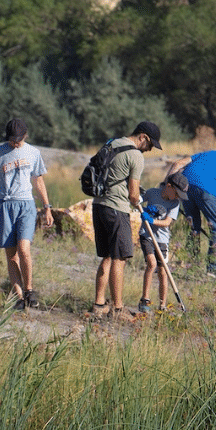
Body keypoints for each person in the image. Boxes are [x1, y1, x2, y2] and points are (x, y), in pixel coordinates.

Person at [0, 118, 53, 310]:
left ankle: (30, 290)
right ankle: (19, 297)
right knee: (12, 256)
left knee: (24, 249)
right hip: (4, 206)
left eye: (18, 140)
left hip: (26, 205)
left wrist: (47, 207)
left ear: (25, 135)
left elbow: (38, 181)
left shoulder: (33, 152)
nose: (14, 143)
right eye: (12, 140)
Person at [86, 120, 162, 321]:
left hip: (98, 205)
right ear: (143, 137)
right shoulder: (136, 155)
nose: (150, 149)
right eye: (151, 144)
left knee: (108, 257)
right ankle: (118, 310)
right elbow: (133, 194)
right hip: (117, 209)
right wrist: (142, 205)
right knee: (120, 258)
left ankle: (99, 304)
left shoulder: (112, 143)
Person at [166, 150, 216, 275]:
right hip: (208, 188)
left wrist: (166, 188)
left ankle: (191, 265)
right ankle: (213, 269)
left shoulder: (210, 153)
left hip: (185, 185)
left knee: (193, 227)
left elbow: (178, 163)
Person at [136, 171, 188, 315]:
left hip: (162, 240)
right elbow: (137, 202)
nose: (178, 198)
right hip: (147, 235)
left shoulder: (175, 203)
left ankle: (162, 305)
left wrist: (152, 220)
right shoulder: (152, 193)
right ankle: (145, 300)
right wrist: (142, 208)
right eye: (176, 193)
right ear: (169, 186)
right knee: (151, 264)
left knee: (163, 272)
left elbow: (166, 223)